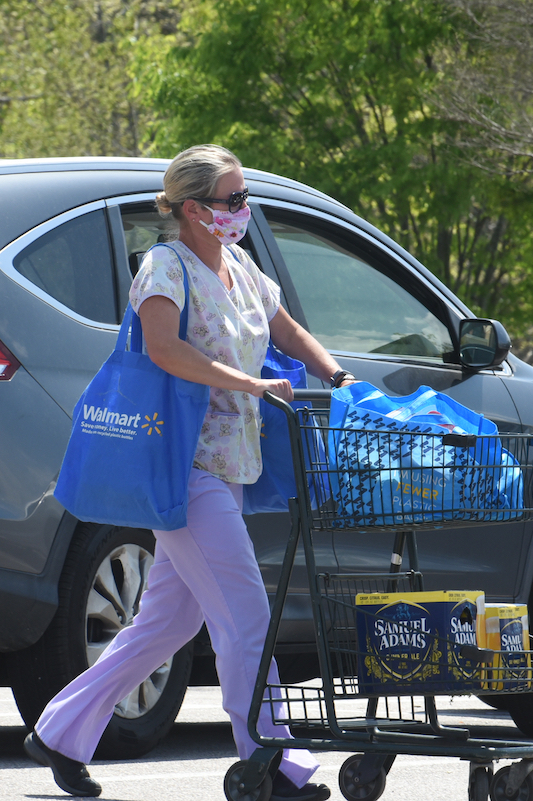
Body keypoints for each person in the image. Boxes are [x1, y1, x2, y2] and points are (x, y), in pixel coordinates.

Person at [24, 144, 356, 801]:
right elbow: (164, 349)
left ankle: (58, 731)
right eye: (233, 200)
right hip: (182, 465)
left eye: (243, 197)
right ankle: (270, 760)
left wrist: (337, 374)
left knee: (168, 624)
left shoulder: (239, 265)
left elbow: (285, 329)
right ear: (194, 208)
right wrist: (250, 384)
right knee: (246, 613)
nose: (243, 210)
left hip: (226, 466)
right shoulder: (163, 268)